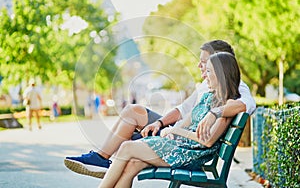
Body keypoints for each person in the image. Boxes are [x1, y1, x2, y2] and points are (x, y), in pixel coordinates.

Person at [64, 40, 256, 178]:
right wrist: (159, 123)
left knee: (130, 130)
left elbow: (247, 104)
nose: (200, 66)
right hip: (179, 132)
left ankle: (105, 159)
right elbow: (182, 111)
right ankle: (103, 157)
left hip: (184, 141)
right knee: (132, 113)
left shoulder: (235, 86)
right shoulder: (206, 86)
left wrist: (215, 113)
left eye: (205, 63)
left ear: (220, 65)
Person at [98, 52, 245, 187]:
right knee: (131, 164)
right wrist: (171, 132)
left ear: (221, 74)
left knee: (126, 147)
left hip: (190, 155)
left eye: (208, 71)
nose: (204, 76)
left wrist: (175, 130)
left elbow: (208, 141)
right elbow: (187, 120)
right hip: (178, 147)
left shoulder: (228, 105)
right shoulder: (207, 97)